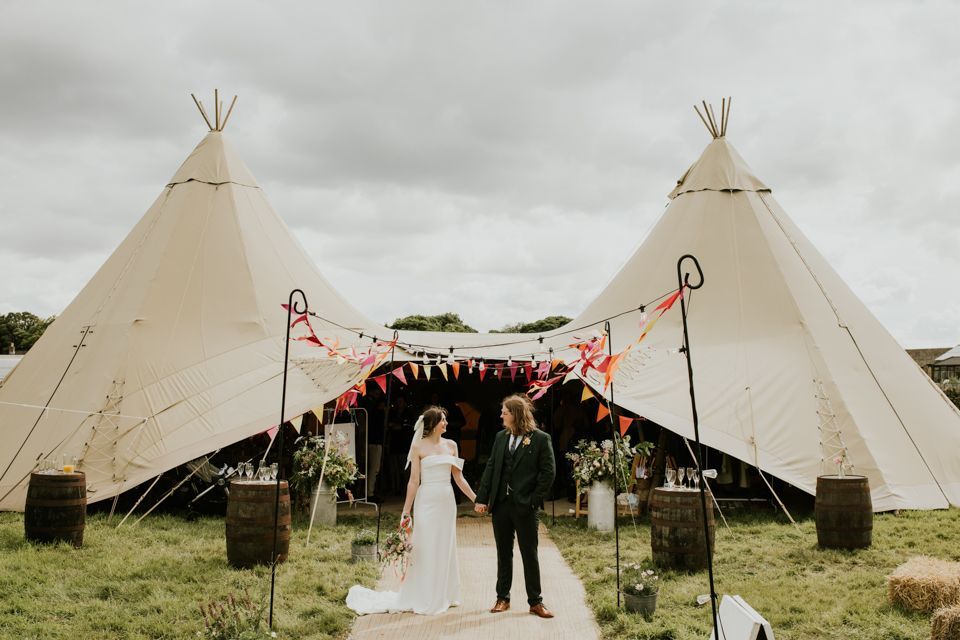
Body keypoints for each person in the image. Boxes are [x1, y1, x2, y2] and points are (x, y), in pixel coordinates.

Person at [346, 406, 477, 615]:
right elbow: (414, 481)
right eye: (443, 420)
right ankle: (424, 592)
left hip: (446, 501)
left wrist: (477, 499)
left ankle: (445, 592)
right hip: (426, 501)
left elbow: (459, 478)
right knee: (424, 545)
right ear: (433, 424)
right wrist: (406, 511)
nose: (446, 423)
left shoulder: (452, 445)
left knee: (445, 543)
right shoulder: (418, 447)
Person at [474, 394, 556, 619]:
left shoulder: (540, 439)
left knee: (529, 553)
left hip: (525, 506)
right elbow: (491, 468)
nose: (501, 415)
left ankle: (535, 602)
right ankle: (503, 598)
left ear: (516, 415)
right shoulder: (501, 437)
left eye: (505, 412)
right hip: (501, 505)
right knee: (503, 552)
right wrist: (482, 499)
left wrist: (533, 500)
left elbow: (548, 473)